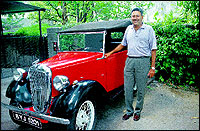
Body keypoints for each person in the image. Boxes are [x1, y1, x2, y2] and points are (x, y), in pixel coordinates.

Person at [105, 7, 157, 121]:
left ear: (142, 17)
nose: (135, 18)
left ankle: (138, 111)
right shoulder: (128, 29)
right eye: (133, 16)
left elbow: (153, 49)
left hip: (143, 61)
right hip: (129, 61)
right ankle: (129, 111)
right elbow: (123, 44)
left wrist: (152, 67)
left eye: (137, 16)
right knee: (127, 88)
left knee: (141, 89)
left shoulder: (149, 29)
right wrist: (110, 52)